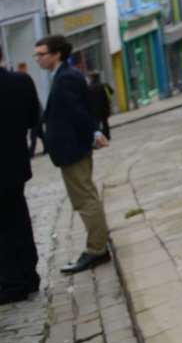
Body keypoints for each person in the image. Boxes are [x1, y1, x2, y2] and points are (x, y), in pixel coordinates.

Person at [34, 36, 111, 274]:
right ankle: (98, 244)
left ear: (56, 54)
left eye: (42, 54)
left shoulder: (66, 77)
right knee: (85, 195)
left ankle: (97, 248)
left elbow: (78, 112)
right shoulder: (64, 75)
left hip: (73, 148)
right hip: (72, 147)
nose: (38, 59)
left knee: (84, 198)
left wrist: (91, 134)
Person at [0, 62, 42, 302]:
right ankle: (29, 275)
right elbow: (32, 119)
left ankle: (13, 283)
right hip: (16, 164)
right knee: (19, 220)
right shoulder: (21, 81)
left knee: (3, 230)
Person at [87, 70, 114, 140]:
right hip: (104, 108)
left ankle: (99, 138)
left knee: (97, 124)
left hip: (94, 109)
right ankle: (107, 136)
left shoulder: (89, 87)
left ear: (92, 78)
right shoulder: (104, 85)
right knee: (105, 122)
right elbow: (111, 92)